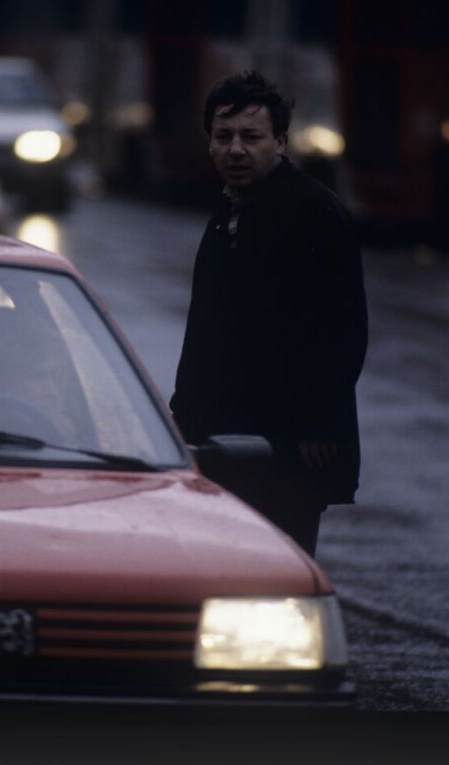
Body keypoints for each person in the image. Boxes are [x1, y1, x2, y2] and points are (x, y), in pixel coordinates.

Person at [169, 71, 367, 557]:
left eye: (251, 137)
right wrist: (182, 417)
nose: (236, 149)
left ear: (280, 143)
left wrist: (320, 422)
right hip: (224, 438)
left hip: (291, 444)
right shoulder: (230, 210)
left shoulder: (314, 212)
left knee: (280, 569)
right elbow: (207, 332)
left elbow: (342, 326)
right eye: (224, 136)